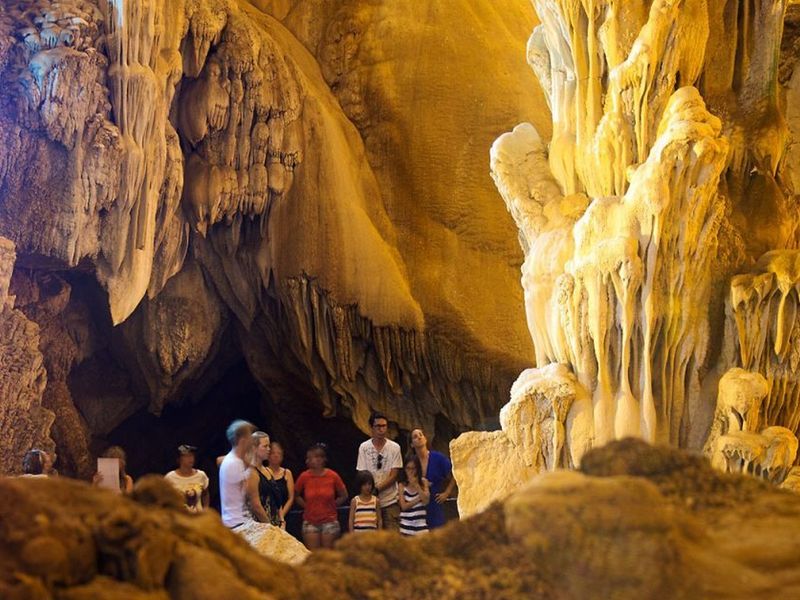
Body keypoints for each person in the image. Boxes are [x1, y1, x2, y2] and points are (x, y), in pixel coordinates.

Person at [295, 443, 348, 550]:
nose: (307, 461)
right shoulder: (304, 477)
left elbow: (344, 495)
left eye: (310, 458)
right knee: (313, 555)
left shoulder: (333, 476)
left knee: (327, 555)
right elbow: (295, 495)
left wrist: (332, 505)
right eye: (308, 458)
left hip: (329, 521)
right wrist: (306, 506)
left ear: (320, 459)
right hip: (310, 521)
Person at [356, 412, 402, 530]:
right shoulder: (364, 447)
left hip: (390, 501)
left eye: (384, 426)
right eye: (378, 426)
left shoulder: (394, 447)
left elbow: (394, 474)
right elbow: (362, 473)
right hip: (369, 501)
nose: (381, 429)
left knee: (393, 539)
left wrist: (377, 489)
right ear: (372, 428)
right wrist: (369, 491)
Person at [409, 427, 456, 529]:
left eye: (421, 435)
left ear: (425, 439)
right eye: (415, 436)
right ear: (412, 444)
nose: (419, 437)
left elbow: (455, 473)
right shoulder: (412, 462)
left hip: (436, 502)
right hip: (417, 504)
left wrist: (447, 493)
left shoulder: (438, 458)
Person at [219, 419, 256, 528]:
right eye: (250, 437)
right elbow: (250, 491)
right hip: (237, 523)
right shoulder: (234, 463)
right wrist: (253, 463)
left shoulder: (236, 461)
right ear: (243, 440)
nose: (252, 441)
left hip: (238, 522)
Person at [164, 444, 210, 513]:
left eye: (192, 455)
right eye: (187, 456)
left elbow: (205, 494)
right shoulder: (170, 477)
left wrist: (205, 510)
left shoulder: (201, 475)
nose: (191, 458)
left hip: (197, 519)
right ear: (179, 459)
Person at [245, 431, 275, 524]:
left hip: (274, 519)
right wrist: (270, 526)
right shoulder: (251, 473)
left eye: (269, 446)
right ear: (254, 448)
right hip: (260, 524)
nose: (269, 449)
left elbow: (275, 499)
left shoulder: (269, 471)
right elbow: (256, 505)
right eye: (265, 446)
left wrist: (281, 519)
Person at [398, 454, 430, 537]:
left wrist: (417, 486)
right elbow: (404, 506)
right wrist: (419, 498)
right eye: (408, 468)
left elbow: (426, 501)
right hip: (405, 527)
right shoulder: (401, 485)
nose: (411, 471)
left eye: (413, 468)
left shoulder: (423, 482)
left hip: (421, 527)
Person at [266, 441, 294, 528]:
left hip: (286, 516)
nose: (276, 455)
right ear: (268, 455)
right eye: (273, 453)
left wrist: (281, 515)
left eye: (279, 453)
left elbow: (291, 498)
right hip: (267, 517)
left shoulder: (287, 473)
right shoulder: (263, 472)